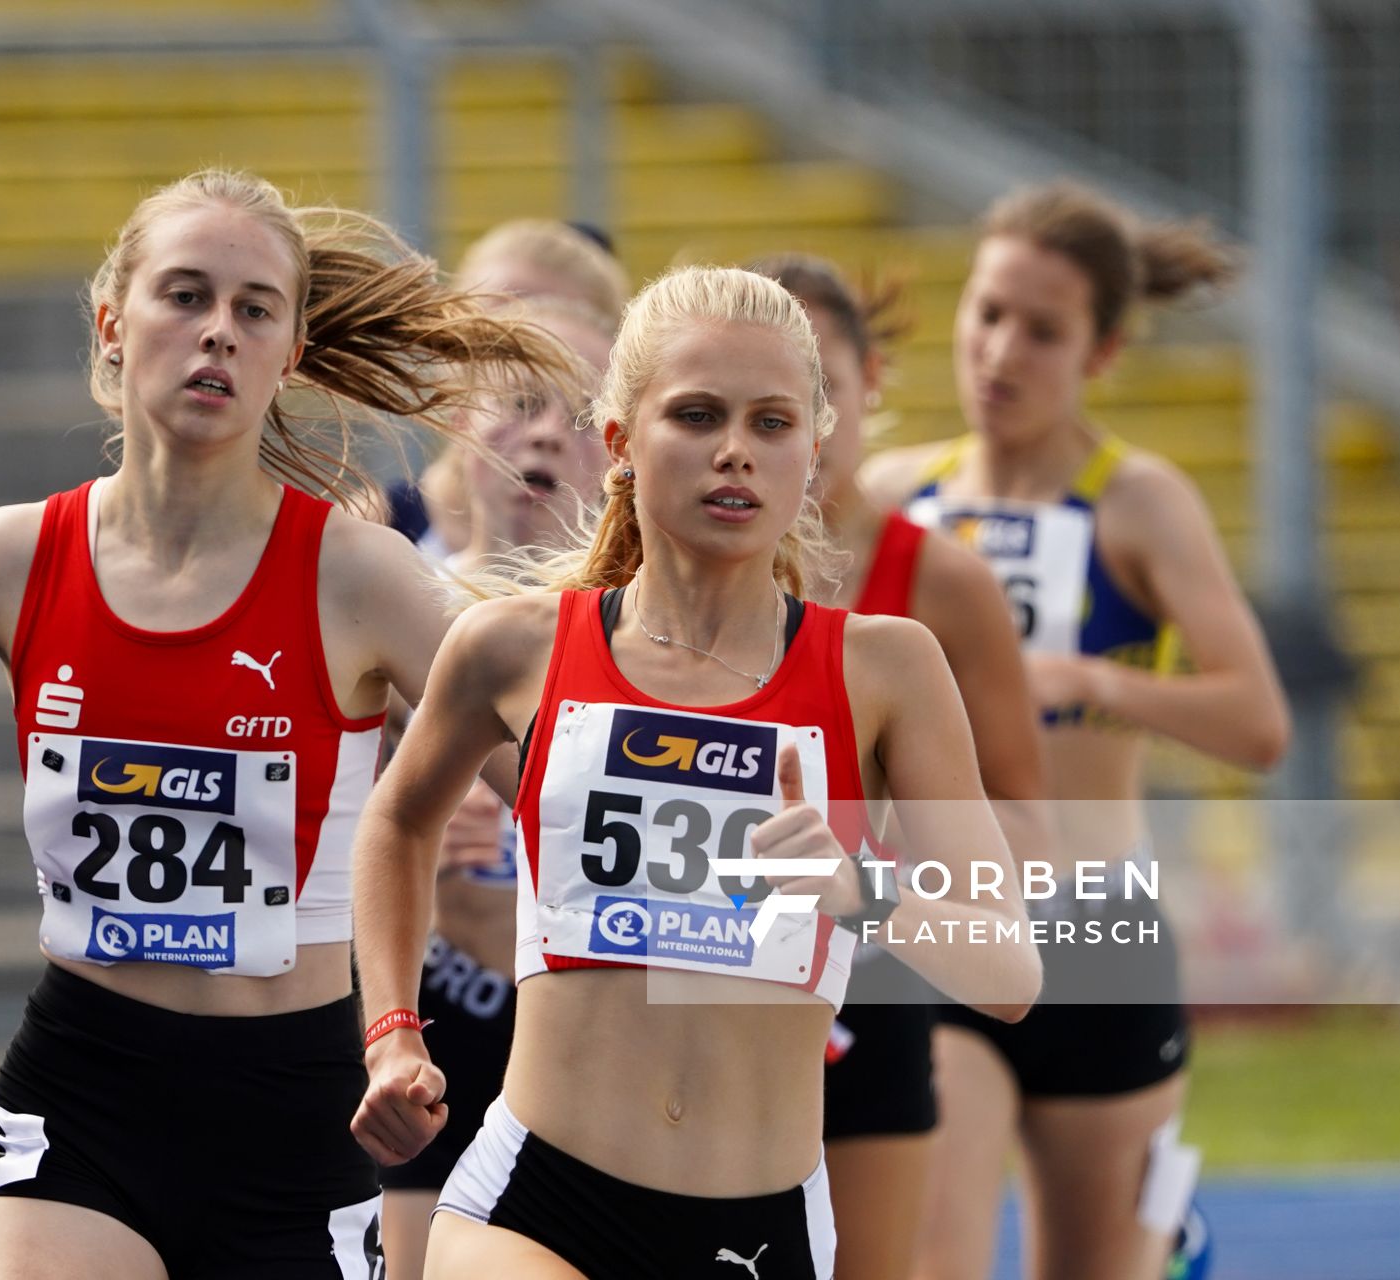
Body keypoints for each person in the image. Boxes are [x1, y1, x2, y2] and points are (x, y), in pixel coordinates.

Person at [0, 168, 574, 1280]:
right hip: (80, 1095)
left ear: (289, 351)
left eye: (252, 308)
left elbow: (566, 787)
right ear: (112, 321)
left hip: (296, 1113)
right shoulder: (14, 556)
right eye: (184, 296)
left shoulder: (358, 577)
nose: (217, 333)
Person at [349, 265, 1042, 1280]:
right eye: (697, 414)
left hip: (756, 1228)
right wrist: (393, 1033)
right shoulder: (514, 647)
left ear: (814, 450)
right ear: (621, 441)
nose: (735, 450)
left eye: (772, 422)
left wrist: (862, 892)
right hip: (534, 1199)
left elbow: (1013, 972)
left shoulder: (887, 668)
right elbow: (397, 821)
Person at [863, 182, 1290, 1280]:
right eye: (987, 312)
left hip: (1100, 933)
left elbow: (1259, 720)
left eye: (1042, 330)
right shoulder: (893, 497)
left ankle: (1165, 1237)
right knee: (931, 1255)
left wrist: (1098, 678)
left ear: (1101, 353)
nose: (1001, 351)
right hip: (942, 929)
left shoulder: (1139, 502)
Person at [748, 253, 1048, 1280]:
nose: (769, 424)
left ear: (864, 385)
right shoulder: (661, 579)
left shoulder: (940, 585)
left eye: (807, 387)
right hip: (708, 975)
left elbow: (1025, 823)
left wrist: (878, 862)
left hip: (875, 974)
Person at [377, 296, 617, 1280]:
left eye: (576, 409)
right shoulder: (392, 600)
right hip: (431, 1040)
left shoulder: (654, 633)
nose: (545, 430)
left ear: (620, 447)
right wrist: (410, 821)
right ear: (457, 434)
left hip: (599, 1050)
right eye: (517, 402)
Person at [389, 220, 631, 559]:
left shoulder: (640, 565)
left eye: (556, 321)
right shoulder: (373, 530)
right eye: (491, 323)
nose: (518, 343)